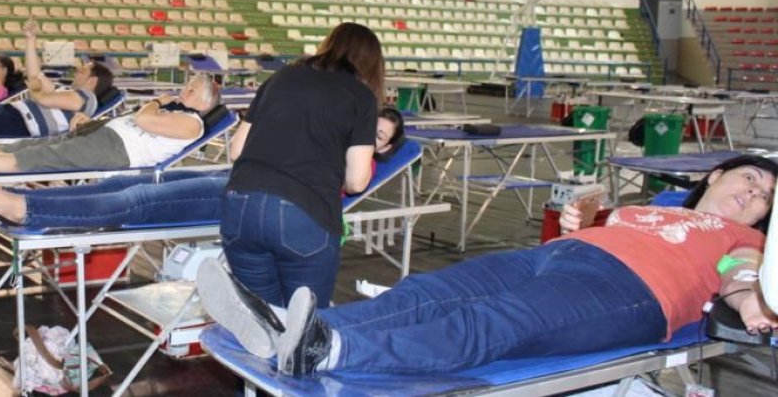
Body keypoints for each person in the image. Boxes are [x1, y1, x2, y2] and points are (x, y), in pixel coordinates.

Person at [198, 154, 778, 377]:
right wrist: (585, 219)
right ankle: (288, 330)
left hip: (632, 294)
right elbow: (594, 218)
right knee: (430, 290)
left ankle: (332, 352)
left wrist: (751, 297)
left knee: (495, 323)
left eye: (765, 197)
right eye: (749, 178)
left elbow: (741, 273)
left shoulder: (743, 239)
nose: (754, 195)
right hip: (556, 258)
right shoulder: (654, 207)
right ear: (714, 175)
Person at [0, 108, 407, 231]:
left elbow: (350, 183)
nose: (368, 139)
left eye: (378, 138)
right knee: (131, 182)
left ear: (381, 151)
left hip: (259, 206)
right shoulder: (324, 144)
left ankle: (18, 208)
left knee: (136, 201)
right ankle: (21, 202)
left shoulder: (348, 172)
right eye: (368, 130)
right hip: (240, 181)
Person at [220, 21, 384, 308]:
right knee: (303, 325)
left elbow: (237, 150)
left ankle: (263, 329)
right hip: (304, 211)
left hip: (241, 204)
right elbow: (356, 181)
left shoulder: (282, 77)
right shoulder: (361, 97)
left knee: (265, 317)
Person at [0, 72, 220, 177]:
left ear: (205, 104)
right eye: (187, 86)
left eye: (192, 90)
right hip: (104, 133)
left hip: (116, 150)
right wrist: (94, 121)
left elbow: (144, 119)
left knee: (40, 157)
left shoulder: (192, 124)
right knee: (28, 146)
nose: (185, 91)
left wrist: (157, 101)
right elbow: (136, 120)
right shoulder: (177, 112)